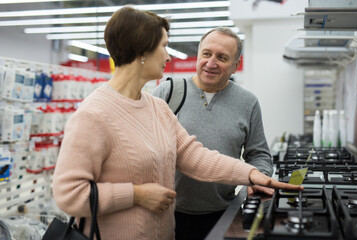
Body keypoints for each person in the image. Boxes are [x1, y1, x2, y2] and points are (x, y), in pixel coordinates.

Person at [52, 7, 303, 240]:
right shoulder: (93, 115)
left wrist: (253, 175)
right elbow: (69, 195)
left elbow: (195, 156)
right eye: (164, 46)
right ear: (142, 51)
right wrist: (138, 195)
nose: (168, 55)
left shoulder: (157, 107)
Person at [153, 27, 275, 239]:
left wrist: (258, 178)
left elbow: (259, 154)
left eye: (222, 57)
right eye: (206, 54)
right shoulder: (167, 92)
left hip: (223, 214)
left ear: (236, 65)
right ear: (198, 55)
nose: (211, 63)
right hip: (167, 214)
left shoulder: (248, 102)